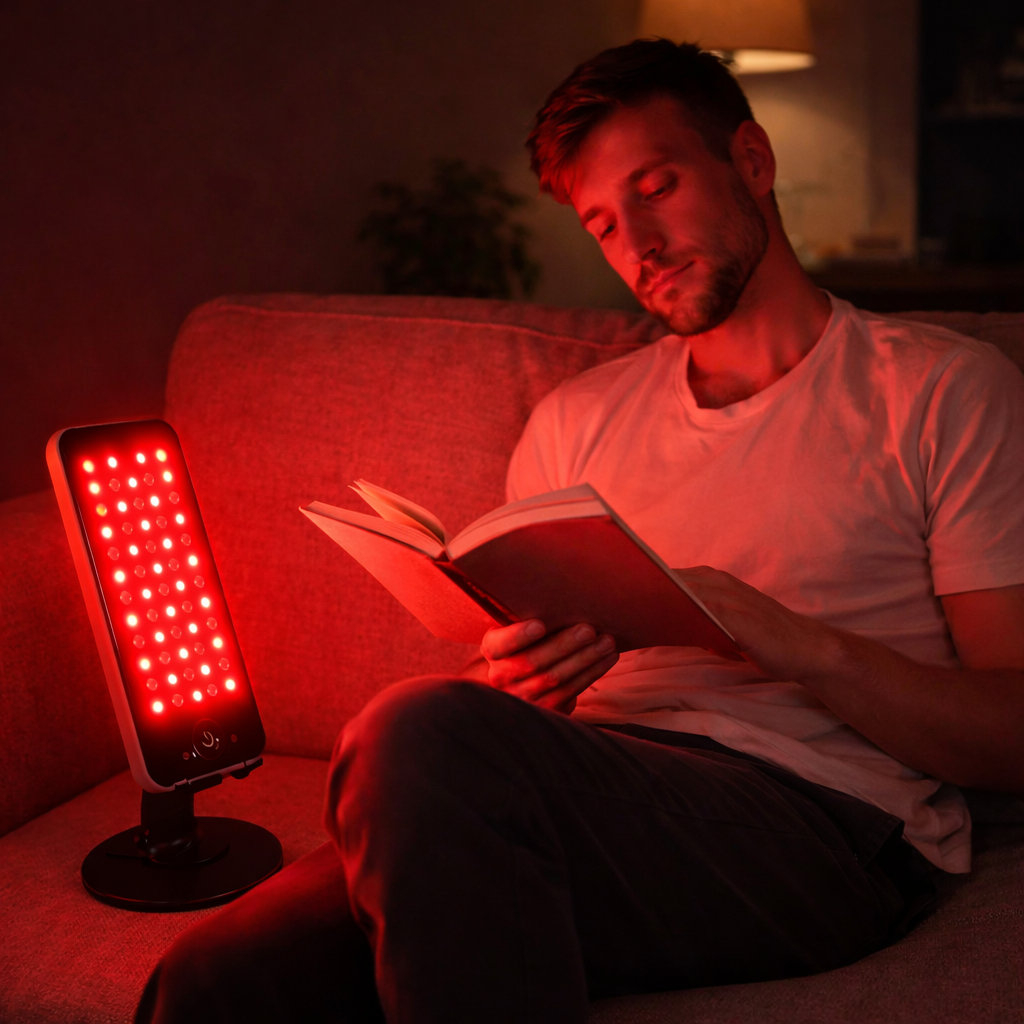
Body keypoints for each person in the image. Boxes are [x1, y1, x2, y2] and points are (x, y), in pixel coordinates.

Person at [137, 39, 1024, 1024]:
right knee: (205, 982)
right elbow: (507, 738)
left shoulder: (937, 390)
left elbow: (1012, 731)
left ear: (753, 160)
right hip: (584, 785)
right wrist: (523, 681)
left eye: (658, 186)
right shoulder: (578, 418)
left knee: (414, 726)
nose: (637, 244)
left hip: (825, 823)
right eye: (604, 223)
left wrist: (780, 634)